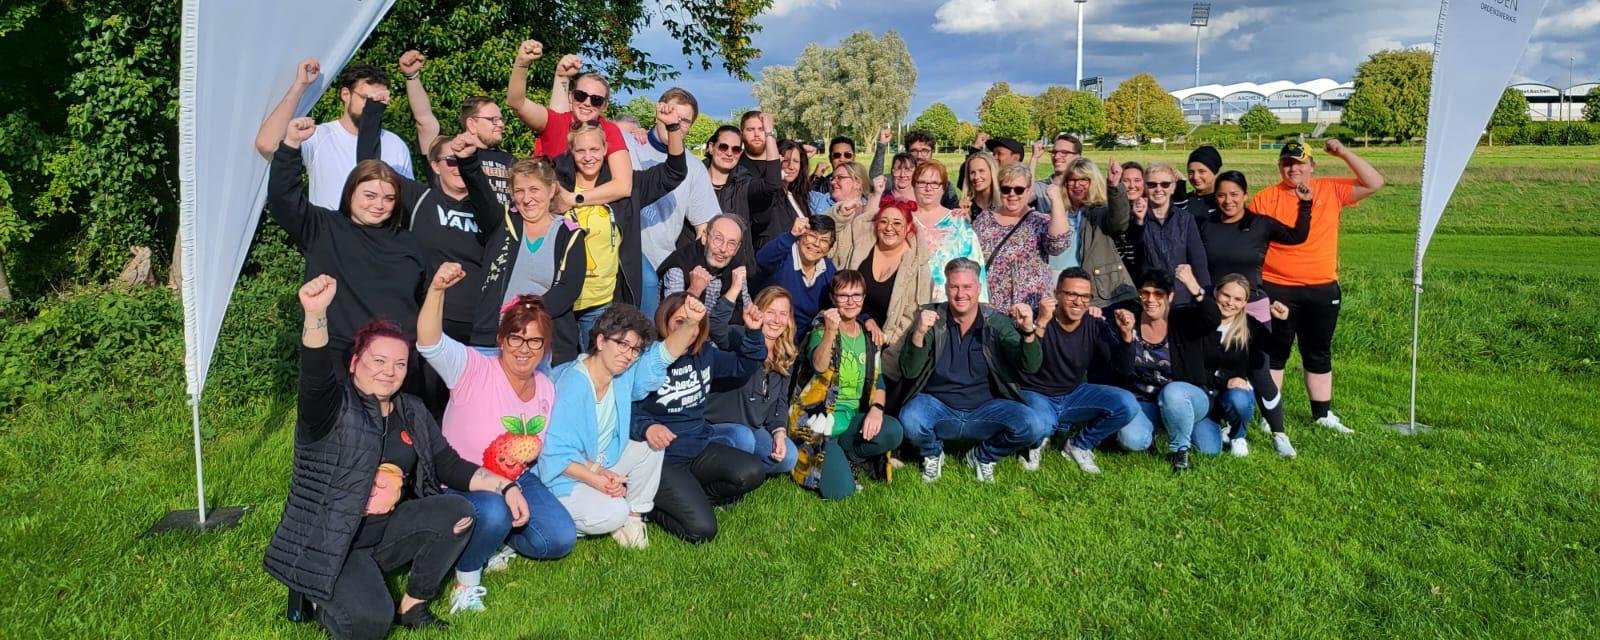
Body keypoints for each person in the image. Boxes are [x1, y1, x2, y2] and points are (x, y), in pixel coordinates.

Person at [271, 276, 529, 638]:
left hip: (386, 532)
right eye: (378, 360)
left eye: (400, 364)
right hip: (333, 542)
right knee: (370, 624)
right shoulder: (330, 408)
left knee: (458, 512)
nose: (389, 372)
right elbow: (314, 374)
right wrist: (315, 315)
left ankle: (414, 603)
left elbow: (448, 465)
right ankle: (314, 593)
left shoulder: (411, 410)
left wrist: (506, 487)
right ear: (354, 363)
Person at [416, 265, 577, 614]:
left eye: (534, 341)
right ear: (501, 340)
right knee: (493, 511)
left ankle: (493, 541)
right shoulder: (473, 368)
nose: (524, 349)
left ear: (544, 346)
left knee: (559, 538)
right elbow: (429, 342)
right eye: (515, 338)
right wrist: (437, 290)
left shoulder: (546, 388)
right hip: (461, 480)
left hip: (516, 479)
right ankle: (467, 577)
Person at [537, 303, 700, 549]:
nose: (629, 355)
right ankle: (560, 515)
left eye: (635, 349)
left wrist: (691, 323)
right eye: (622, 345)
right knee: (614, 512)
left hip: (600, 461)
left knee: (650, 447)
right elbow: (555, 455)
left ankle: (634, 517)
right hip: (564, 476)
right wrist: (597, 479)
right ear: (601, 341)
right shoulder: (574, 384)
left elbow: (660, 356)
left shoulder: (621, 376)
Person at [1249, 140, 1385, 433]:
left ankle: (1322, 415)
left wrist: (1344, 153)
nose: (1292, 168)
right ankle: (1268, 414)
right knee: (1274, 353)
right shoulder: (1264, 198)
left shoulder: (1330, 189)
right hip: (1277, 287)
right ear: (1279, 167)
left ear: (1312, 165)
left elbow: (1375, 182)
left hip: (1322, 287)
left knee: (1318, 352)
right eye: (1286, 163)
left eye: (1299, 163)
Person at [268, 117, 425, 362]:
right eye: (370, 195)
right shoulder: (322, 227)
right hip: (338, 355)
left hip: (397, 360)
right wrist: (290, 146)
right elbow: (283, 199)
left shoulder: (410, 242)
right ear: (350, 192)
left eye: (389, 198)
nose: (378, 205)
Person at [1118, 269, 1295, 470]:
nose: (1230, 302)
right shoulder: (1197, 323)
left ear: (1245, 303)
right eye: (1226, 295)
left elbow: (1277, 352)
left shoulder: (1249, 327)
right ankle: (1175, 439)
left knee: (1220, 429)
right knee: (1140, 432)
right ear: (1216, 293)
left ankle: (1237, 435)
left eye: (1238, 299)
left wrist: (1283, 324)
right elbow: (1210, 320)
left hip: (1214, 398)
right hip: (1194, 390)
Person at [636, 293, 768, 543]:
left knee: (752, 471)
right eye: (679, 322)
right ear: (664, 321)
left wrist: (752, 333)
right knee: (702, 530)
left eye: (693, 324)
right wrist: (647, 426)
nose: (688, 330)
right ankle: (650, 506)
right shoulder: (649, 359)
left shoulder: (704, 353)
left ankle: (695, 494)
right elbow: (625, 407)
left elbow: (744, 365)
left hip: (699, 447)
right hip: (663, 458)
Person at [896, 258, 1043, 483]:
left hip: (986, 409)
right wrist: (918, 333)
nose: (960, 293)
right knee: (911, 418)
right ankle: (933, 453)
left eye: (967, 287)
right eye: (954, 286)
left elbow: (1029, 366)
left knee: (1033, 424)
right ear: (945, 289)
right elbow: (909, 371)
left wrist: (1028, 332)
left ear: (978, 289)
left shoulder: (996, 322)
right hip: (939, 406)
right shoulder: (930, 319)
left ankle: (982, 456)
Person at [556, 105, 689, 346]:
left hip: (601, 301)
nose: (588, 157)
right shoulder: (557, 181)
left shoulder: (626, 186)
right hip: (561, 298)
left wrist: (672, 128)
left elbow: (674, 172)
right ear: (571, 151)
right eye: (581, 150)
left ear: (606, 149)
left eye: (595, 149)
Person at [458, 146, 588, 362]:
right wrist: (467, 161)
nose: (527, 198)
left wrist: (525, 312)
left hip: (544, 348)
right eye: (519, 191)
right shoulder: (502, 222)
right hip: (493, 342)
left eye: (534, 189)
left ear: (552, 189)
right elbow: (480, 191)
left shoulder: (570, 234)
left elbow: (568, 288)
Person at [789, 272, 906, 498]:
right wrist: (831, 332)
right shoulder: (821, 330)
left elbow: (878, 380)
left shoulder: (868, 335)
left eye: (856, 295)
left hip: (851, 420)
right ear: (833, 299)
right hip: (820, 425)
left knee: (892, 430)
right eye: (843, 296)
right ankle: (832, 457)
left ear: (863, 298)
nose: (851, 302)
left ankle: (848, 455)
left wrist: (876, 409)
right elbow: (819, 365)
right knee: (841, 492)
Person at [1017, 268, 1140, 474]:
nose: (1078, 301)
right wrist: (1041, 324)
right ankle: (1035, 443)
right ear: (1057, 293)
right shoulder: (1038, 319)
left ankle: (1079, 444)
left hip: (1073, 394)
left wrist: (1126, 336)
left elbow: (1124, 368)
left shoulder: (1094, 323)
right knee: (1041, 424)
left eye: (1085, 296)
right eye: (1071, 294)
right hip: (1036, 393)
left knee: (1126, 403)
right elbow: (1026, 365)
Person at [255, 59, 414, 209]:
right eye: (366, 98)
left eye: (379, 101)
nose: (372, 106)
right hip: (330, 235)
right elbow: (267, 144)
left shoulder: (395, 145)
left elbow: (407, 202)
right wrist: (300, 86)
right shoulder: (319, 136)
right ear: (346, 94)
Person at [627, 87, 721, 320]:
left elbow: (706, 226)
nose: (675, 123)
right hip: (620, 256)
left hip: (662, 265)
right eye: (671, 114)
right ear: (658, 111)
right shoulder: (628, 146)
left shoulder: (694, 167)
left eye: (684, 120)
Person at [505, 41, 633, 207]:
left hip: (591, 214)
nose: (587, 103)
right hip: (546, 212)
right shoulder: (555, 121)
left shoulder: (609, 129)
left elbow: (623, 186)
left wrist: (574, 199)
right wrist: (522, 63)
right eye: (581, 95)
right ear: (571, 97)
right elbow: (516, 103)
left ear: (604, 106)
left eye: (596, 100)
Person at [831, 203, 934, 382]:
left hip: (884, 348)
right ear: (876, 224)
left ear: (908, 227)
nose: (889, 228)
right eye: (884, 222)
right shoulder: (859, 245)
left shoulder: (918, 269)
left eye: (897, 223)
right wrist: (840, 215)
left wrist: (881, 348)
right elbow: (830, 243)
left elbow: (909, 320)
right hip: (844, 330)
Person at [704, 286, 801, 476]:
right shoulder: (740, 337)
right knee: (743, 438)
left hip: (753, 429)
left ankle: (747, 471)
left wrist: (779, 432)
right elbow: (715, 327)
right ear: (758, 312)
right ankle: (712, 468)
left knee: (789, 457)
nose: (776, 320)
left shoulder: (785, 353)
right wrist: (734, 288)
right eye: (770, 312)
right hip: (718, 426)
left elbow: (780, 402)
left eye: (783, 314)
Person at [396, 50, 514, 203]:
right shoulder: (450, 153)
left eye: (501, 119)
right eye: (493, 119)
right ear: (472, 123)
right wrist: (412, 77)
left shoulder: (511, 161)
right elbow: (424, 120)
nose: (501, 124)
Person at [1201, 171, 1312, 323]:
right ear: (1215, 197)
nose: (1228, 200)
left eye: (1234, 194)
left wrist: (1305, 204)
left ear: (1245, 195)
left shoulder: (1261, 224)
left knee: (1258, 347)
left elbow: (1296, 237)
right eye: (1221, 195)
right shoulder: (1205, 225)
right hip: (1216, 306)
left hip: (1253, 306)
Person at [973, 163, 1070, 309]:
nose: (1012, 194)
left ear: (1029, 190)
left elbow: (1058, 244)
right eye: (1006, 189)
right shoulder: (984, 220)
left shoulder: (1039, 221)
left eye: (1019, 190)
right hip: (991, 310)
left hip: (1030, 309)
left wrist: (1056, 200)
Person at [1047, 157, 1134, 310]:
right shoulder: (1057, 212)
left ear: (1093, 182)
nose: (1077, 185)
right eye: (1072, 180)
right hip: (1057, 284)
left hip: (1095, 291)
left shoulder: (1100, 213)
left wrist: (1114, 186)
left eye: (1084, 180)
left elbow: (1119, 221)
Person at [1129, 162, 1211, 306]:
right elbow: (1136, 253)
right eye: (1152, 185)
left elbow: (1199, 262)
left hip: (1182, 299)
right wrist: (1139, 221)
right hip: (1150, 299)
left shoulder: (1185, 219)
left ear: (1173, 188)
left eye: (1165, 184)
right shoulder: (1135, 218)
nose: (1158, 189)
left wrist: (1206, 298)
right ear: (1145, 188)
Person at [705, 122, 783, 269]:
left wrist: (769, 133)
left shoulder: (743, 183)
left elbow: (773, 184)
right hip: (700, 266)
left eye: (735, 149)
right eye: (723, 147)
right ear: (711, 147)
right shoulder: (694, 180)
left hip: (737, 269)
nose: (729, 153)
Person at [910, 161, 987, 302]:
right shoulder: (903, 220)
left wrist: (978, 305)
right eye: (922, 182)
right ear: (914, 185)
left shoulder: (958, 222)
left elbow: (975, 265)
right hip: (909, 300)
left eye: (935, 183)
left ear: (943, 188)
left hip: (949, 302)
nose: (928, 188)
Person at [756, 215, 838, 333]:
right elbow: (762, 259)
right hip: (766, 332)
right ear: (801, 236)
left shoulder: (828, 270)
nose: (816, 244)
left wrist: (864, 319)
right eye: (812, 236)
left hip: (799, 341)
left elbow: (841, 300)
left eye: (824, 240)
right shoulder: (784, 255)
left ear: (829, 249)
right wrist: (791, 235)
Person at [659, 214, 754, 309]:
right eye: (718, 239)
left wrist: (753, 314)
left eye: (731, 244)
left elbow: (745, 309)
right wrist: (694, 290)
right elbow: (672, 317)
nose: (723, 249)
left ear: (737, 249)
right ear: (704, 237)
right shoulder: (679, 266)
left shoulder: (736, 271)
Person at [762, 139, 814, 252]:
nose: (791, 166)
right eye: (785, 160)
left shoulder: (797, 196)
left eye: (796, 161)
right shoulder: (769, 195)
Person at [1028, 134, 1082, 213]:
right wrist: (1034, 157)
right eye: (1054, 152)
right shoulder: (1041, 188)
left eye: (1064, 152)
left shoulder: (1084, 187)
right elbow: (1026, 196)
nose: (1056, 157)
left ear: (1078, 157)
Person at [808, 135, 859, 210]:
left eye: (847, 155)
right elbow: (808, 198)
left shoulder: (863, 181)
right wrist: (816, 177)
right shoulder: (821, 185)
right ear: (830, 158)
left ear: (854, 157)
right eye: (837, 155)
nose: (842, 159)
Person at [818, 160, 873, 228]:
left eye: (840, 177)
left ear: (858, 183)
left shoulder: (871, 206)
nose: (832, 182)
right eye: (832, 178)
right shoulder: (819, 200)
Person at [958, 151, 1001, 217]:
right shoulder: (965, 206)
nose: (976, 177)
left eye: (981, 171)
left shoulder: (1004, 203)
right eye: (972, 172)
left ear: (992, 172)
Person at [876, 152, 919, 217]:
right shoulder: (880, 197)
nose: (902, 175)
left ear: (915, 173)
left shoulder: (922, 197)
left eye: (907, 170)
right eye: (898, 169)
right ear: (892, 172)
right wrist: (876, 194)